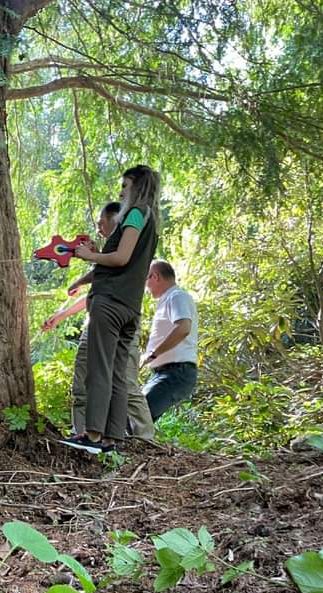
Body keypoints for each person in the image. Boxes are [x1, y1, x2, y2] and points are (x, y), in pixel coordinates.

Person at [60, 164, 161, 454]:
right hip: (130, 306)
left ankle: (91, 435)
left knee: (98, 370)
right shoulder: (150, 220)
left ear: (137, 187)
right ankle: (113, 437)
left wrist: (87, 254)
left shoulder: (135, 213)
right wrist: (86, 274)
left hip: (110, 303)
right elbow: (127, 260)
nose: (121, 192)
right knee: (117, 372)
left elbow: (120, 258)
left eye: (125, 186)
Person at [41, 203, 155, 440]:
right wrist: (79, 284)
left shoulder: (129, 253)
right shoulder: (108, 254)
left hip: (118, 320)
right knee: (86, 379)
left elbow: (111, 291)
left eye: (102, 222)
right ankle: (88, 433)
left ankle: (143, 438)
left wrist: (92, 257)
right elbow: (96, 290)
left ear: (117, 220)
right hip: (97, 322)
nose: (99, 227)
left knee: (122, 380)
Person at [140, 259, 198, 420]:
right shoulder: (168, 299)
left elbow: (183, 328)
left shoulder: (176, 296)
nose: (146, 287)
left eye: (146, 280)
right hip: (166, 372)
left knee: (137, 415)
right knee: (136, 416)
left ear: (155, 277)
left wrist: (153, 354)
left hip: (176, 372)